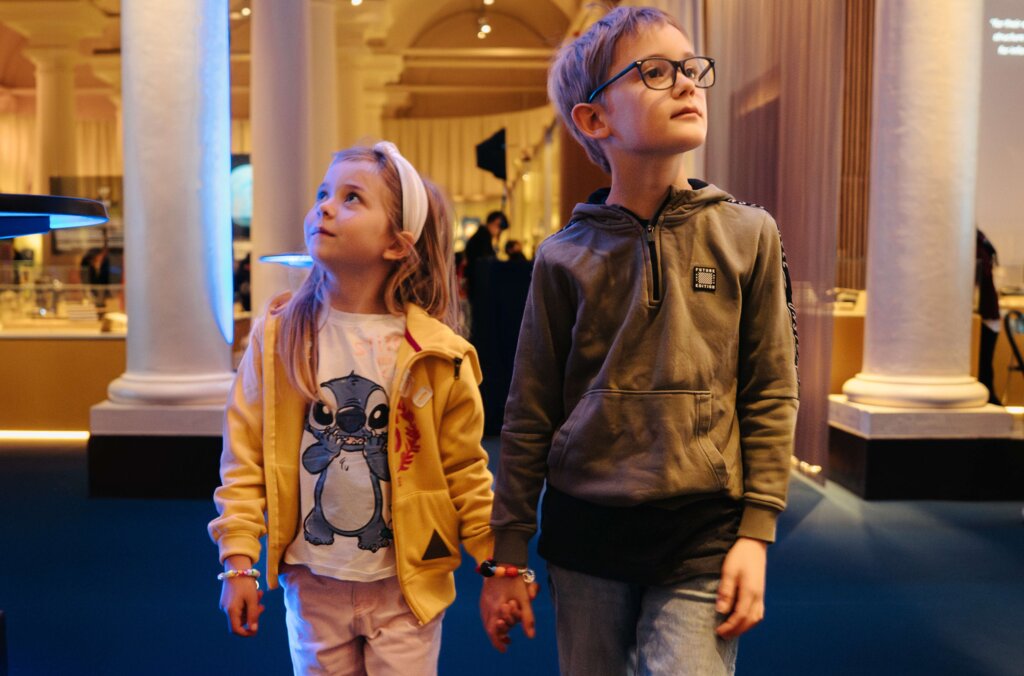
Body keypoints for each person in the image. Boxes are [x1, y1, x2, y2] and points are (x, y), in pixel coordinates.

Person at [480, 7, 799, 675]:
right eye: (656, 72)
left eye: (691, 68)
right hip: (585, 533)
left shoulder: (750, 236)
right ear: (595, 120)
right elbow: (529, 411)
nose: (687, 83)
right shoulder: (562, 258)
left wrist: (756, 535)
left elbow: (771, 389)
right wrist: (507, 552)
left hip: (703, 531)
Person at [209, 142, 496, 675]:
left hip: (406, 585)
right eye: (323, 193)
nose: (324, 207)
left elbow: (464, 467)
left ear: (396, 243)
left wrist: (495, 558)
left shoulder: (437, 353)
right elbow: (244, 452)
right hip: (312, 580)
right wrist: (238, 560)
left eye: (351, 198)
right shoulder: (279, 337)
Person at [976, 229, 1002, 405]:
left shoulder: (975, 244)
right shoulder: (980, 240)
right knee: (984, 368)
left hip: (985, 315)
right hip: (987, 314)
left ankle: (991, 405)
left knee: (983, 369)